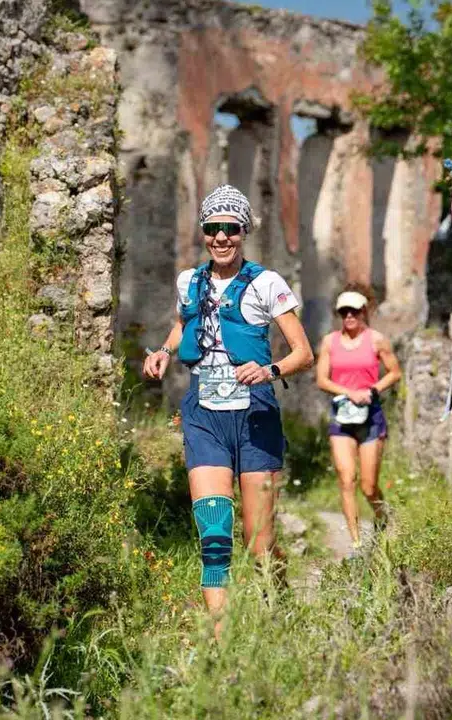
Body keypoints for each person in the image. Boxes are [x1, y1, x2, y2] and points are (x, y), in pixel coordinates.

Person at [142, 184, 314, 625]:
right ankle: (220, 642)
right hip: (203, 411)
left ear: (244, 231)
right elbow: (183, 325)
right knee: (215, 535)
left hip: (255, 412)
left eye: (230, 228)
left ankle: (280, 605)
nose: (221, 237)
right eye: (213, 228)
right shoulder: (190, 281)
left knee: (259, 542)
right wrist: (163, 350)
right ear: (203, 231)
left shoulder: (267, 282)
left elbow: (303, 354)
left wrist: (270, 371)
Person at [314, 286, 402, 553]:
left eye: (354, 311)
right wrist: (348, 392)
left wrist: (372, 390)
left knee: (368, 485)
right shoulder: (330, 342)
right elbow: (322, 379)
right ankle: (356, 543)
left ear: (364, 312)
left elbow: (395, 372)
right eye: (344, 312)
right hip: (342, 418)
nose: (349, 316)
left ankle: (384, 518)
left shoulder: (376, 340)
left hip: (370, 417)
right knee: (346, 479)